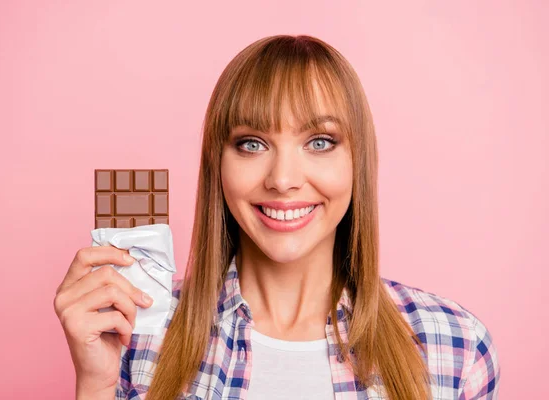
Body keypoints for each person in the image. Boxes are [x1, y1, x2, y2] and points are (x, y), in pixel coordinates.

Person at [54, 34, 500, 400]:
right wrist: (96, 385)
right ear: (218, 165)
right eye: (252, 143)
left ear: (357, 162)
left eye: (320, 142)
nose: (283, 179)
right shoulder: (137, 335)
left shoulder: (452, 346)